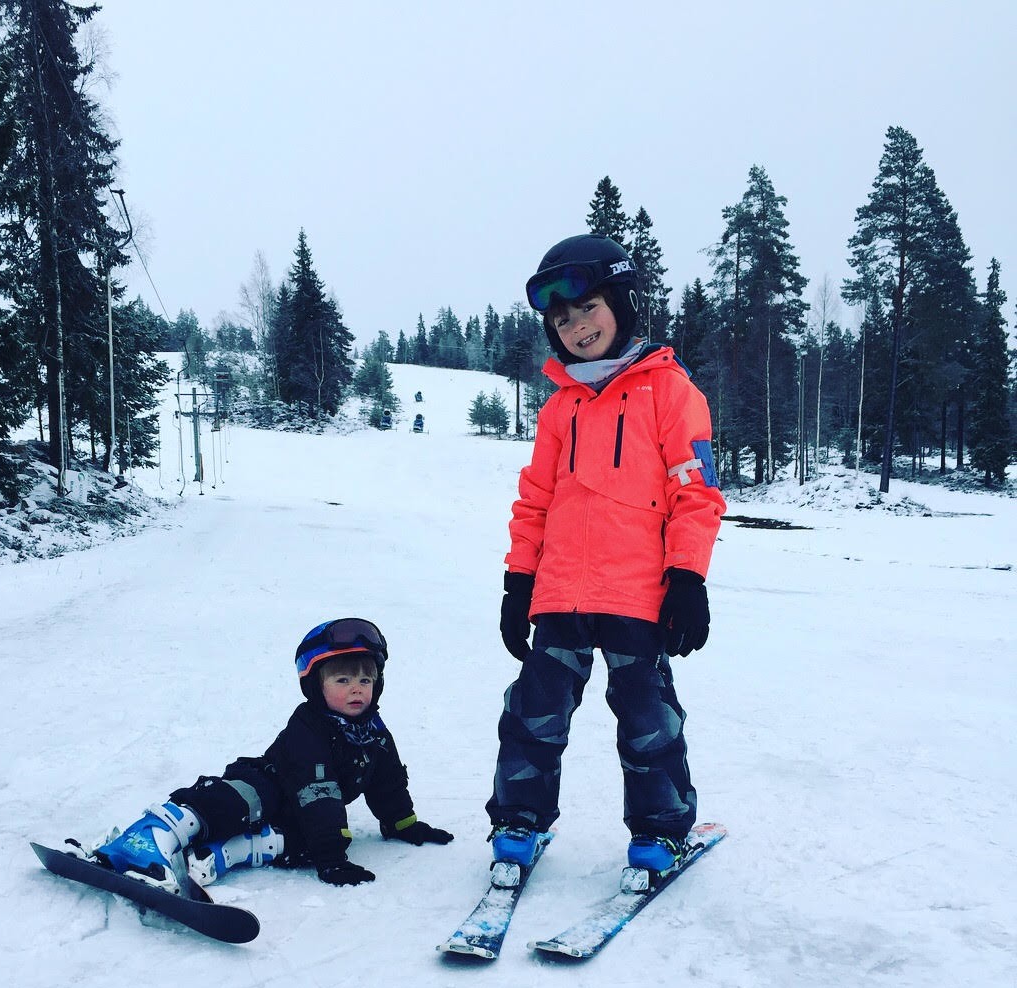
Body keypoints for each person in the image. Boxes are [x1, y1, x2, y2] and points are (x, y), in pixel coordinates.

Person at [486, 234, 726, 877]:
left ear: (621, 301)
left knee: (648, 722)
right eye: (561, 319)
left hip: (637, 594)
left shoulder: (672, 393)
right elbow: (535, 500)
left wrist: (688, 578)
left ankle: (660, 830)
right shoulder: (560, 407)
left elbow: (695, 495)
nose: (575, 326)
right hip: (560, 593)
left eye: (586, 307)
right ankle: (518, 822)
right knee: (533, 715)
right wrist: (519, 582)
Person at [94, 618, 453, 893]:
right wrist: (332, 858)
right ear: (316, 686)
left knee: (304, 841)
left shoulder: (372, 730)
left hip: (299, 811)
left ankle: (222, 853)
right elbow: (320, 791)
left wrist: (403, 823)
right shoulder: (308, 727)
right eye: (342, 681)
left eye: (365, 680)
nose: (356, 689)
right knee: (243, 802)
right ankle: (149, 835)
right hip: (269, 784)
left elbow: (386, 781)